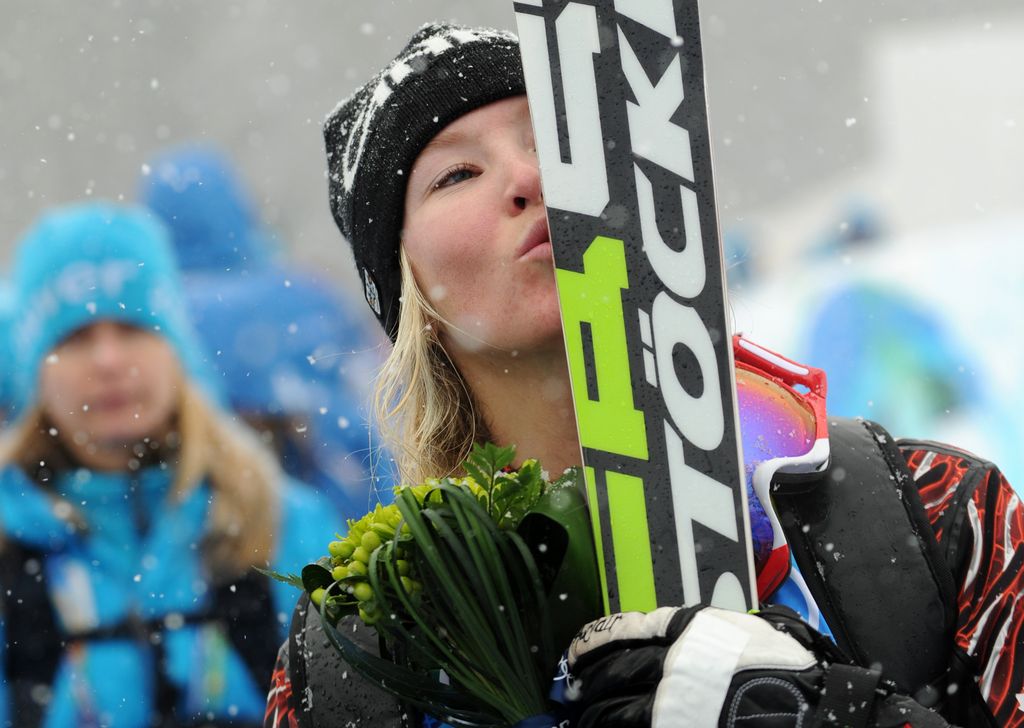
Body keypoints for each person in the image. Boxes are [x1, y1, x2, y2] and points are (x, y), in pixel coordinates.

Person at [264, 23, 1023, 728]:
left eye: (559, 143)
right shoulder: (362, 648)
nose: (531, 177)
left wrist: (819, 713)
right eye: (458, 173)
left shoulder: (924, 511)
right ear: (406, 293)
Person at [0, 202, 340, 727]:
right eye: (75, 338)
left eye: (134, 328)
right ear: (34, 372)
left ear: (177, 349)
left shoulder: (283, 525)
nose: (109, 361)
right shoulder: (9, 546)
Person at [139, 145, 390, 515]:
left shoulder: (151, 318)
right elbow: (383, 399)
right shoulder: (308, 295)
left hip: (224, 527)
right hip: (350, 516)